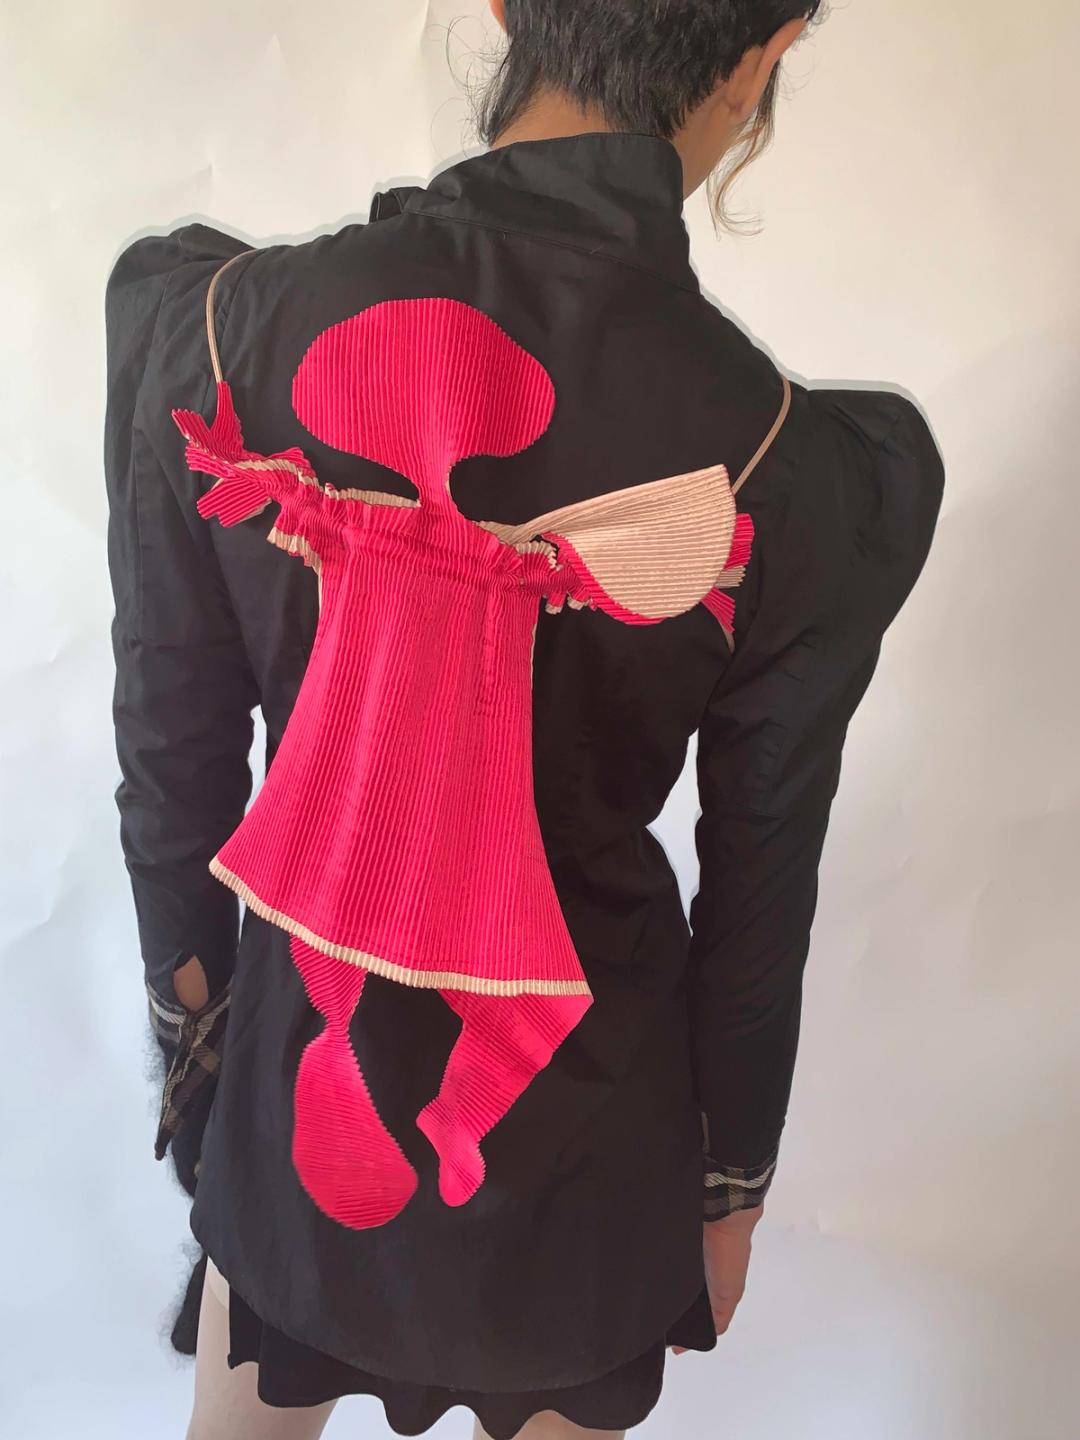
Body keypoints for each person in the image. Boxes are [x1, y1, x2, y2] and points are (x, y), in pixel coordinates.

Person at [102, 2, 945, 1437]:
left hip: (297, 1065)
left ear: (501, 4)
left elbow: (172, 761)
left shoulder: (221, 334)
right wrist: (729, 1186)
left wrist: (200, 1054)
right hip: (587, 1146)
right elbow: (761, 892)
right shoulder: (788, 467)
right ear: (770, 48)